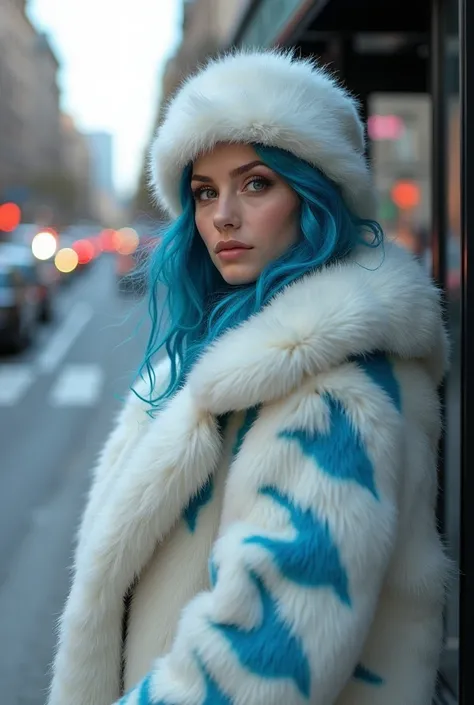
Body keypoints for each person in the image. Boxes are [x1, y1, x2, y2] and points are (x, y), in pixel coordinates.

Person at [48, 50, 449, 705]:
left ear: (314, 194)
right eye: (205, 191)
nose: (222, 216)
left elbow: (258, 666)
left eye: (256, 183)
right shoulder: (228, 362)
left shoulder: (336, 393)